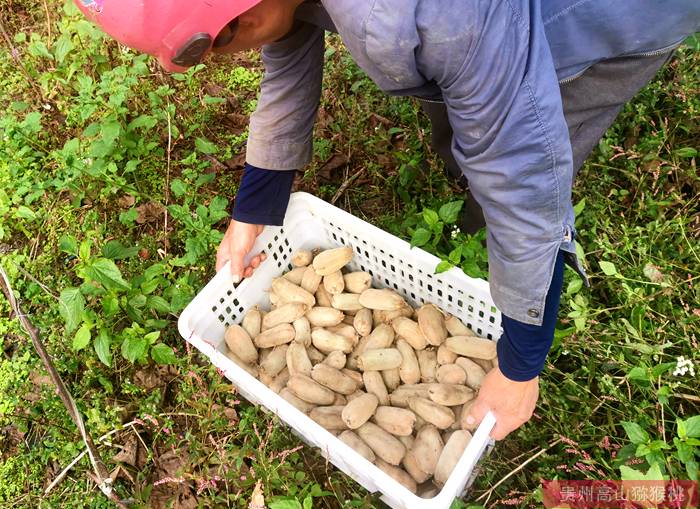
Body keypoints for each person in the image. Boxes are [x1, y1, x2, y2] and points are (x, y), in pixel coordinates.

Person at [74, 0, 700, 440]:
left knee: (535, 138)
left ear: (246, 13)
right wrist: (252, 211)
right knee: (468, 131)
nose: (229, 58)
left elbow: (523, 171)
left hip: (608, 15)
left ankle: (516, 267)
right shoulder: (279, 7)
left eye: (225, 46)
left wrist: (519, 365)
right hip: (471, 32)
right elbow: (286, 45)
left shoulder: (430, 16)